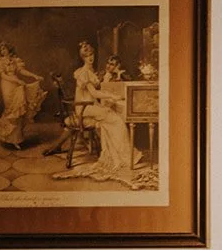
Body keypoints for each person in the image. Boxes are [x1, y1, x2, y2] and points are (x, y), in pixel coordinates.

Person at [51, 39, 155, 188]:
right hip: (84, 108)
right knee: (117, 120)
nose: (91, 58)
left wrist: (108, 90)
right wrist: (112, 96)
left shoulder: (89, 72)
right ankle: (124, 157)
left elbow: (97, 91)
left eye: (92, 54)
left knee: (110, 120)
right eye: (87, 56)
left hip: (89, 106)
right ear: (83, 58)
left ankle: (116, 156)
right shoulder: (84, 73)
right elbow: (94, 92)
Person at [0, 41, 45, 148]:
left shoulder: (15, 60)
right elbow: (3, 76)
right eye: (1, 49)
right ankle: (7, 137)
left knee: (19, 109)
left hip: (16, 85)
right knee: (10, 109)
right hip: (7, 85)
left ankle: (17, 138)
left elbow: (22, 71)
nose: (3, 51)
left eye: (5, 48)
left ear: (9, 49)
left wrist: (34, 76)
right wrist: (16, 81)